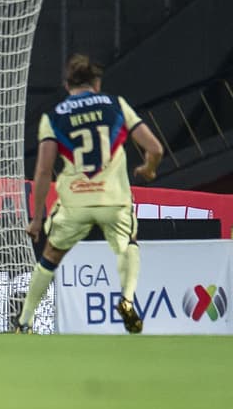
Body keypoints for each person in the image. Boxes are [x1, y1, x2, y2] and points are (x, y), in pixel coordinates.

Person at [13, 54, 163, 334]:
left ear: (66, 84)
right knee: (128, 245)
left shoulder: (54, 117)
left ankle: (25, 321)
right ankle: (127, 300)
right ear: (97, 83)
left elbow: (44, 171)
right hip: (113, 200)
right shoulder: (116, 105)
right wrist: (149, 169)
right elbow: (155, 149)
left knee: (50, 257)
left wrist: (36, 220)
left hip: (75, 202)